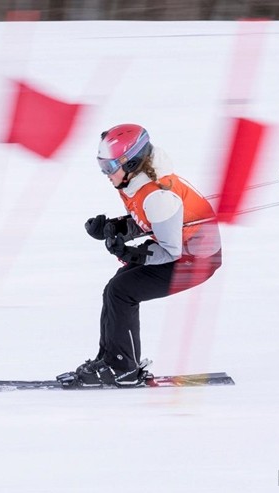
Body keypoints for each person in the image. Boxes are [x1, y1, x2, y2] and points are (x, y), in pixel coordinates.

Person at [59, 123, 222, 388]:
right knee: (116, 288)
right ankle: (111, 359)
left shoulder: (159, 195)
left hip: (199, 259)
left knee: (123, 290)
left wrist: (132, 254)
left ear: (132, 162)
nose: (105, 173)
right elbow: (148, 221)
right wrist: (115, 228)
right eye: (102, 165)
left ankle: (123, 368)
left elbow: (170, 251)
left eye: (109, 167)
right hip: (184, 251)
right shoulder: (135, 182)